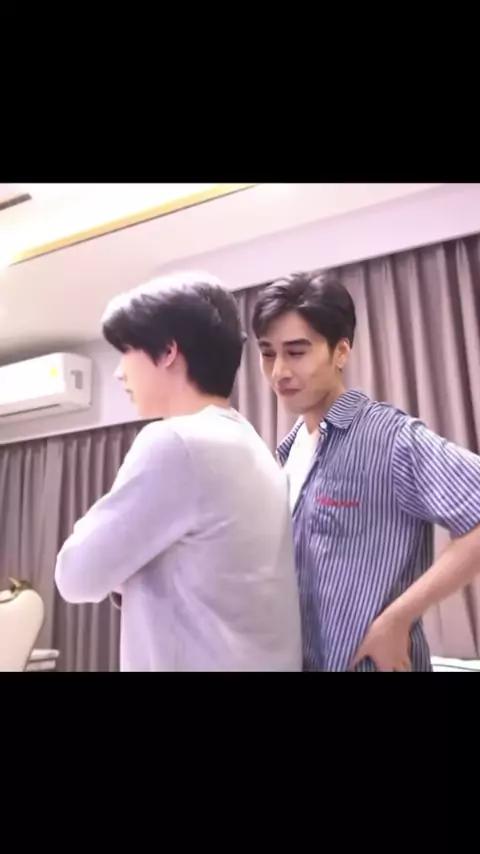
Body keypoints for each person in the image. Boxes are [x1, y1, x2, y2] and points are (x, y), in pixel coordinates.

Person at [55, 272, 302, 672]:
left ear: (168, 350)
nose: (119, 372)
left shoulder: (175, 443)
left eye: (127, 350)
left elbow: (75, 575)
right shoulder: (254, 448)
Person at [252, 269, 480, 672]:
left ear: (341, 352)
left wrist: (399, 617)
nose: (278, 372)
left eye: (296, 352)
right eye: (268, 353)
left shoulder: (389, 437)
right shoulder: (287, 453)